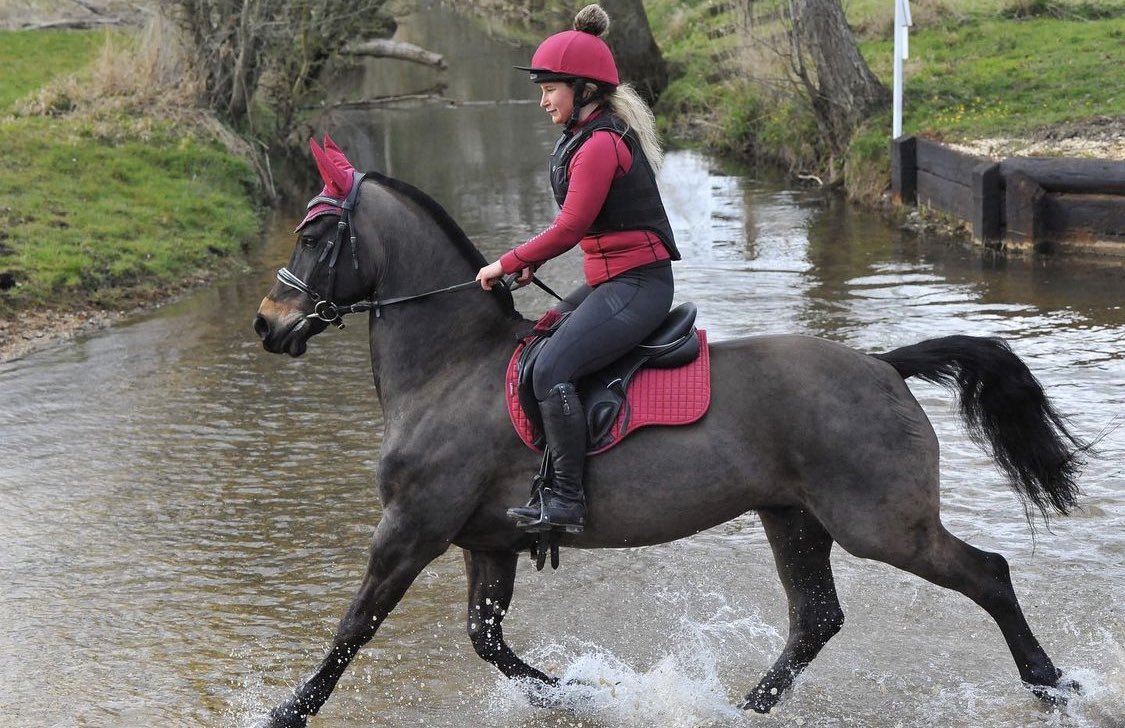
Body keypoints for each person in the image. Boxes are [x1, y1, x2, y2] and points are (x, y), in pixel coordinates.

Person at [476, 4, 680, 534]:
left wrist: (508, 261)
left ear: (584, 89)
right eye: (542, 90)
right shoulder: (581, 137)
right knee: (537, 341)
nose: (543, 101)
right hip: (611, 280)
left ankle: (567, 499)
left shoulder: (601, 143)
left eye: (550, 90)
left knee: (551, 370)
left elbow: (569, 228)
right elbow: (580, 227)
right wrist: (530, 263)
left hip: (638, 285)